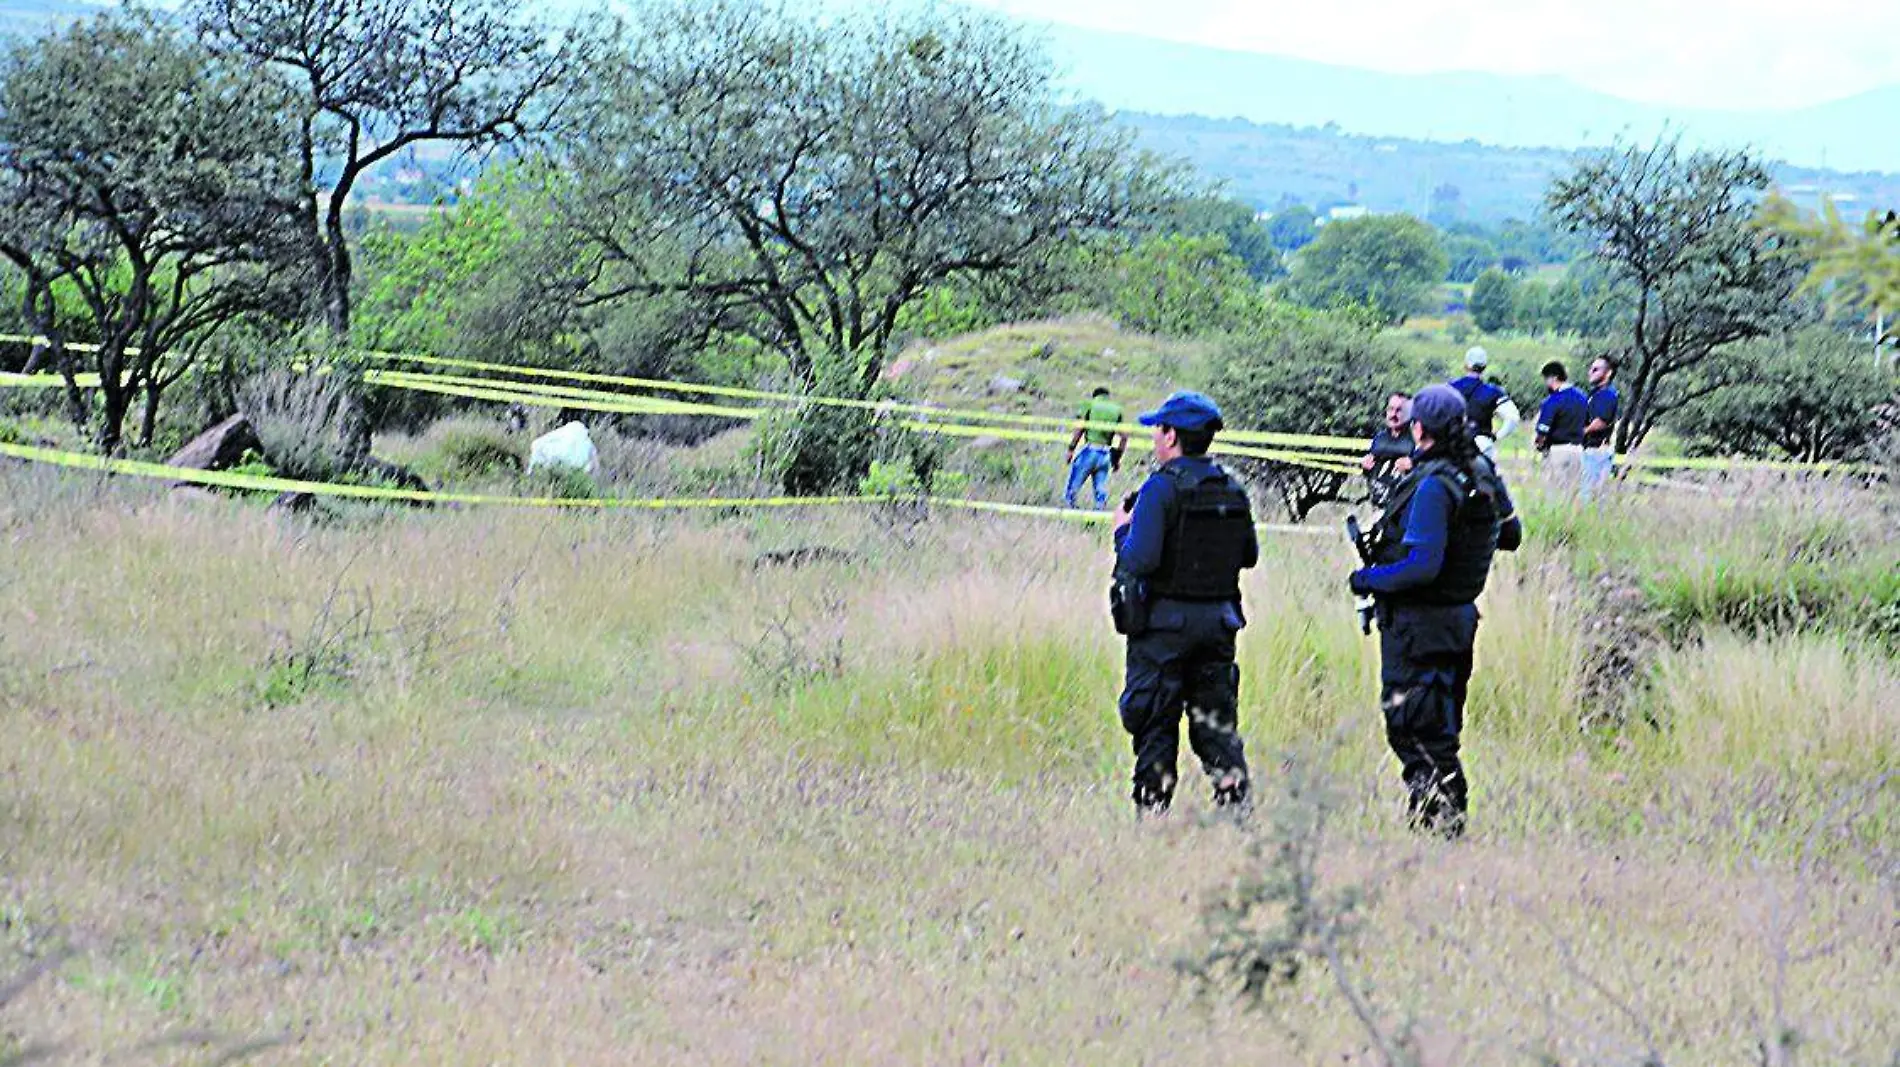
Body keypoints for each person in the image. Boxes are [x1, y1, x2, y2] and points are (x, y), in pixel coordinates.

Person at [1348, 384, 1522, 838]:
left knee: (1414, 730)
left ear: (1418, 428)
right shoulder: (1480, 471)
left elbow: (1422, 567)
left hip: (1418, 625)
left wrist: (1366, 580)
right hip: (1457, 622)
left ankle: (1441, 827)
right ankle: (1436, 825)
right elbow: (1511, 533)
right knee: (1439, 727)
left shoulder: (1433, 485)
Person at [1110, 391, 1257, 816]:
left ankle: (1152, 817)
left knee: (1155, 722)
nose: (1155, 438)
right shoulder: (1231, 487)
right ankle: (1237, 814)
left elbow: (1140, 559)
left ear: (1171, 436)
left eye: (1158, 429)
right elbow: (1249, 555)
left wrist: (1123, 530)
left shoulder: (1161, 488)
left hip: (1163, 630)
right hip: (1218, 626)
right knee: (1216, 729)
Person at [1449, 346, 1521, 459]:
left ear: (1466, 365)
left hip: (1453, 445)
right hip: (1482, 445)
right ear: (1484, 367)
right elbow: (1513, 417)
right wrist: (1497, 436)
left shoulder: (1449, 388)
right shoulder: (1493, 392)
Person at [1064, 386, 1128, 510]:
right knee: (1100, 493)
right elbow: (1124, 437)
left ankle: (1070, 517)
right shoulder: (1116, 409)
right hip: (1105, 455)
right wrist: (1116, 458)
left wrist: (1071, 449)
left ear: (1095, 396)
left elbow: (1080, 428)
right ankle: (1096, 519)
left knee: (1072, 490)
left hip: (1090, 451)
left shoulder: (1089, 405)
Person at [1534, 360, 1589, 491]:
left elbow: (1543, 431)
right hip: (1578, 451)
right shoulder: (1582, 397)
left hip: (1557, 450)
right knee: (1572, 493)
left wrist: (1539, 445)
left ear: (1553, 378)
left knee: (1554, 493)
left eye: (1546, 379)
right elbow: (1587, 423)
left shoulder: (1552, 400)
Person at [1362, 391, 1415, 507]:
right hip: (1376, 506)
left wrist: (1414, 466)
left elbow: (1430, 470)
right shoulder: (1379, 438)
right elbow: (1371, 472)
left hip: (1403, 508)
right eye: (1390, 409)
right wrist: (1365, 467)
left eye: (1399, 410)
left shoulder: (1417, 441)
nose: (1393, 414)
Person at [1581, 356, 1620, 499]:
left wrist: (1578, 433)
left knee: (1588, 496)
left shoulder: (1607, 395)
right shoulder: (1595, 394)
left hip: (1596, 452)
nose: (1590, 372)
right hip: (1589, 451)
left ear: (1608, 373)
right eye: (1591, 368)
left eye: (1596, 369)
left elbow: (1600, 422)